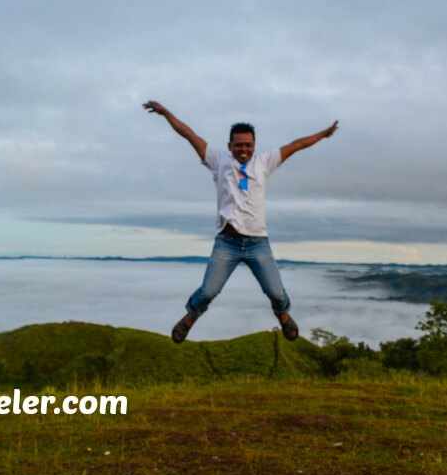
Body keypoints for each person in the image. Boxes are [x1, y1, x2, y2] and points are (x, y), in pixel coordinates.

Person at [143, 100, 338, 343]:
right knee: (208, 292)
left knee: (277, 293)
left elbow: (296, 145)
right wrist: (165, 113)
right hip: (228, 242)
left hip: (258, 243)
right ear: (230, 145)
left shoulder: (265, 162)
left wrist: (324, 134)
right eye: (238, 145)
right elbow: (189, 134)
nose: (243, 149)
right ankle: (191, 316)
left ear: (254, 146)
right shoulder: (218, 160)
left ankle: (283, 315)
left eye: (248, 145)